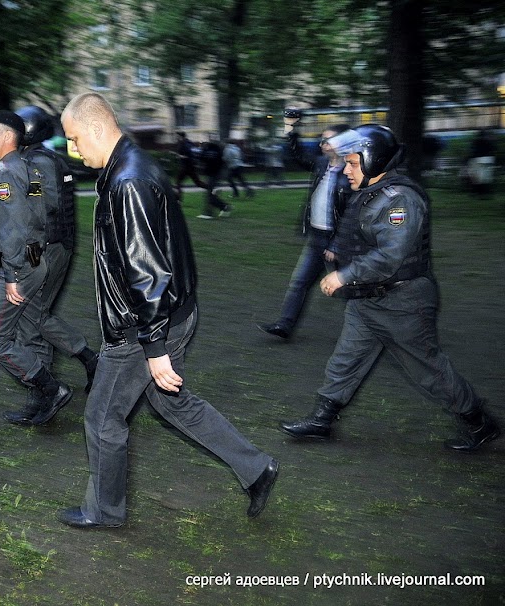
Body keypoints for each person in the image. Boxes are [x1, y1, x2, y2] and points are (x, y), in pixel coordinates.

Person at [57, 93, 278, 528]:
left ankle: (104, 512)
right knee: (173, 403)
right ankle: (256, 469)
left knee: (103, 416)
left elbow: (147, 273)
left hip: (145, 327)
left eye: (76, 139)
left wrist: (152, 346)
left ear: (97, 128)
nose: (75, 150)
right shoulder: (130, 167)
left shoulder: (128, 181)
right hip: (172, 315)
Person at [280, 125, 500, 453]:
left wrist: (343, 275)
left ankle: (479, 422)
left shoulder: (400, 199)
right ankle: (322, 419)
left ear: (374, 161)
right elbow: (352, 227)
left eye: (354, 163)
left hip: (403, 301)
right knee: (345, 359)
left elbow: (391, 256)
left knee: (429, 371)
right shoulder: (369, 191)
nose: (346, 169)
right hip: (367, 299)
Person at [0, 105, 97, 425]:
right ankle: (57, 383)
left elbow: (45, 208)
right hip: (50, 247)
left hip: (46, 249)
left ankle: (51, 388)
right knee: (33, 318)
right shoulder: (39, 159)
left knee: (30, 318)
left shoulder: (38, 162)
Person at [0, 110, 72, 426]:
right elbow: (40, 217)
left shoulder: (7, 174)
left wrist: (12, 275)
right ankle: (43, 397)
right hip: (35, 261)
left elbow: (16, 230)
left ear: (7, 136)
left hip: (19, 268)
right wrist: (33, 263)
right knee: (32, 330)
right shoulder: (29, 170)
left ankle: (51, 389)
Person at [257, 121, 351, 339]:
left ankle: (373, 329)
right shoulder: (321, 164)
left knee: (348, 290)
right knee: (299, 283)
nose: (323, 143)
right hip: (316, 237)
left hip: (338, 241)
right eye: (323, 139)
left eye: (328, 139)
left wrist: (337, 244)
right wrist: (290, 131)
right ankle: (284, 325)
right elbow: (296, 157)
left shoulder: (351, 171)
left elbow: (352, 213)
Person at [197, 137, 232, 219]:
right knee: (209, 194)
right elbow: (222, 163)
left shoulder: (206, 151)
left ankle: (223, 207)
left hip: (210, 175)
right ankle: (215, 210)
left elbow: (201, 159)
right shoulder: (218, 151)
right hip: (216, 174)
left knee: (209, 195)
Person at [173, 131, 205, 200]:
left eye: (177, 136)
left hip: (186, 166)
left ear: (180, 136)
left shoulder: (185, 144)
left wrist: (180, 156)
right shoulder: (187, 143)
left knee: (178, 181)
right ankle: (211, 188)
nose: (176, 138)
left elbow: (189, 155)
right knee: (198, 183)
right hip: (190, 166)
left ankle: (179, 198)